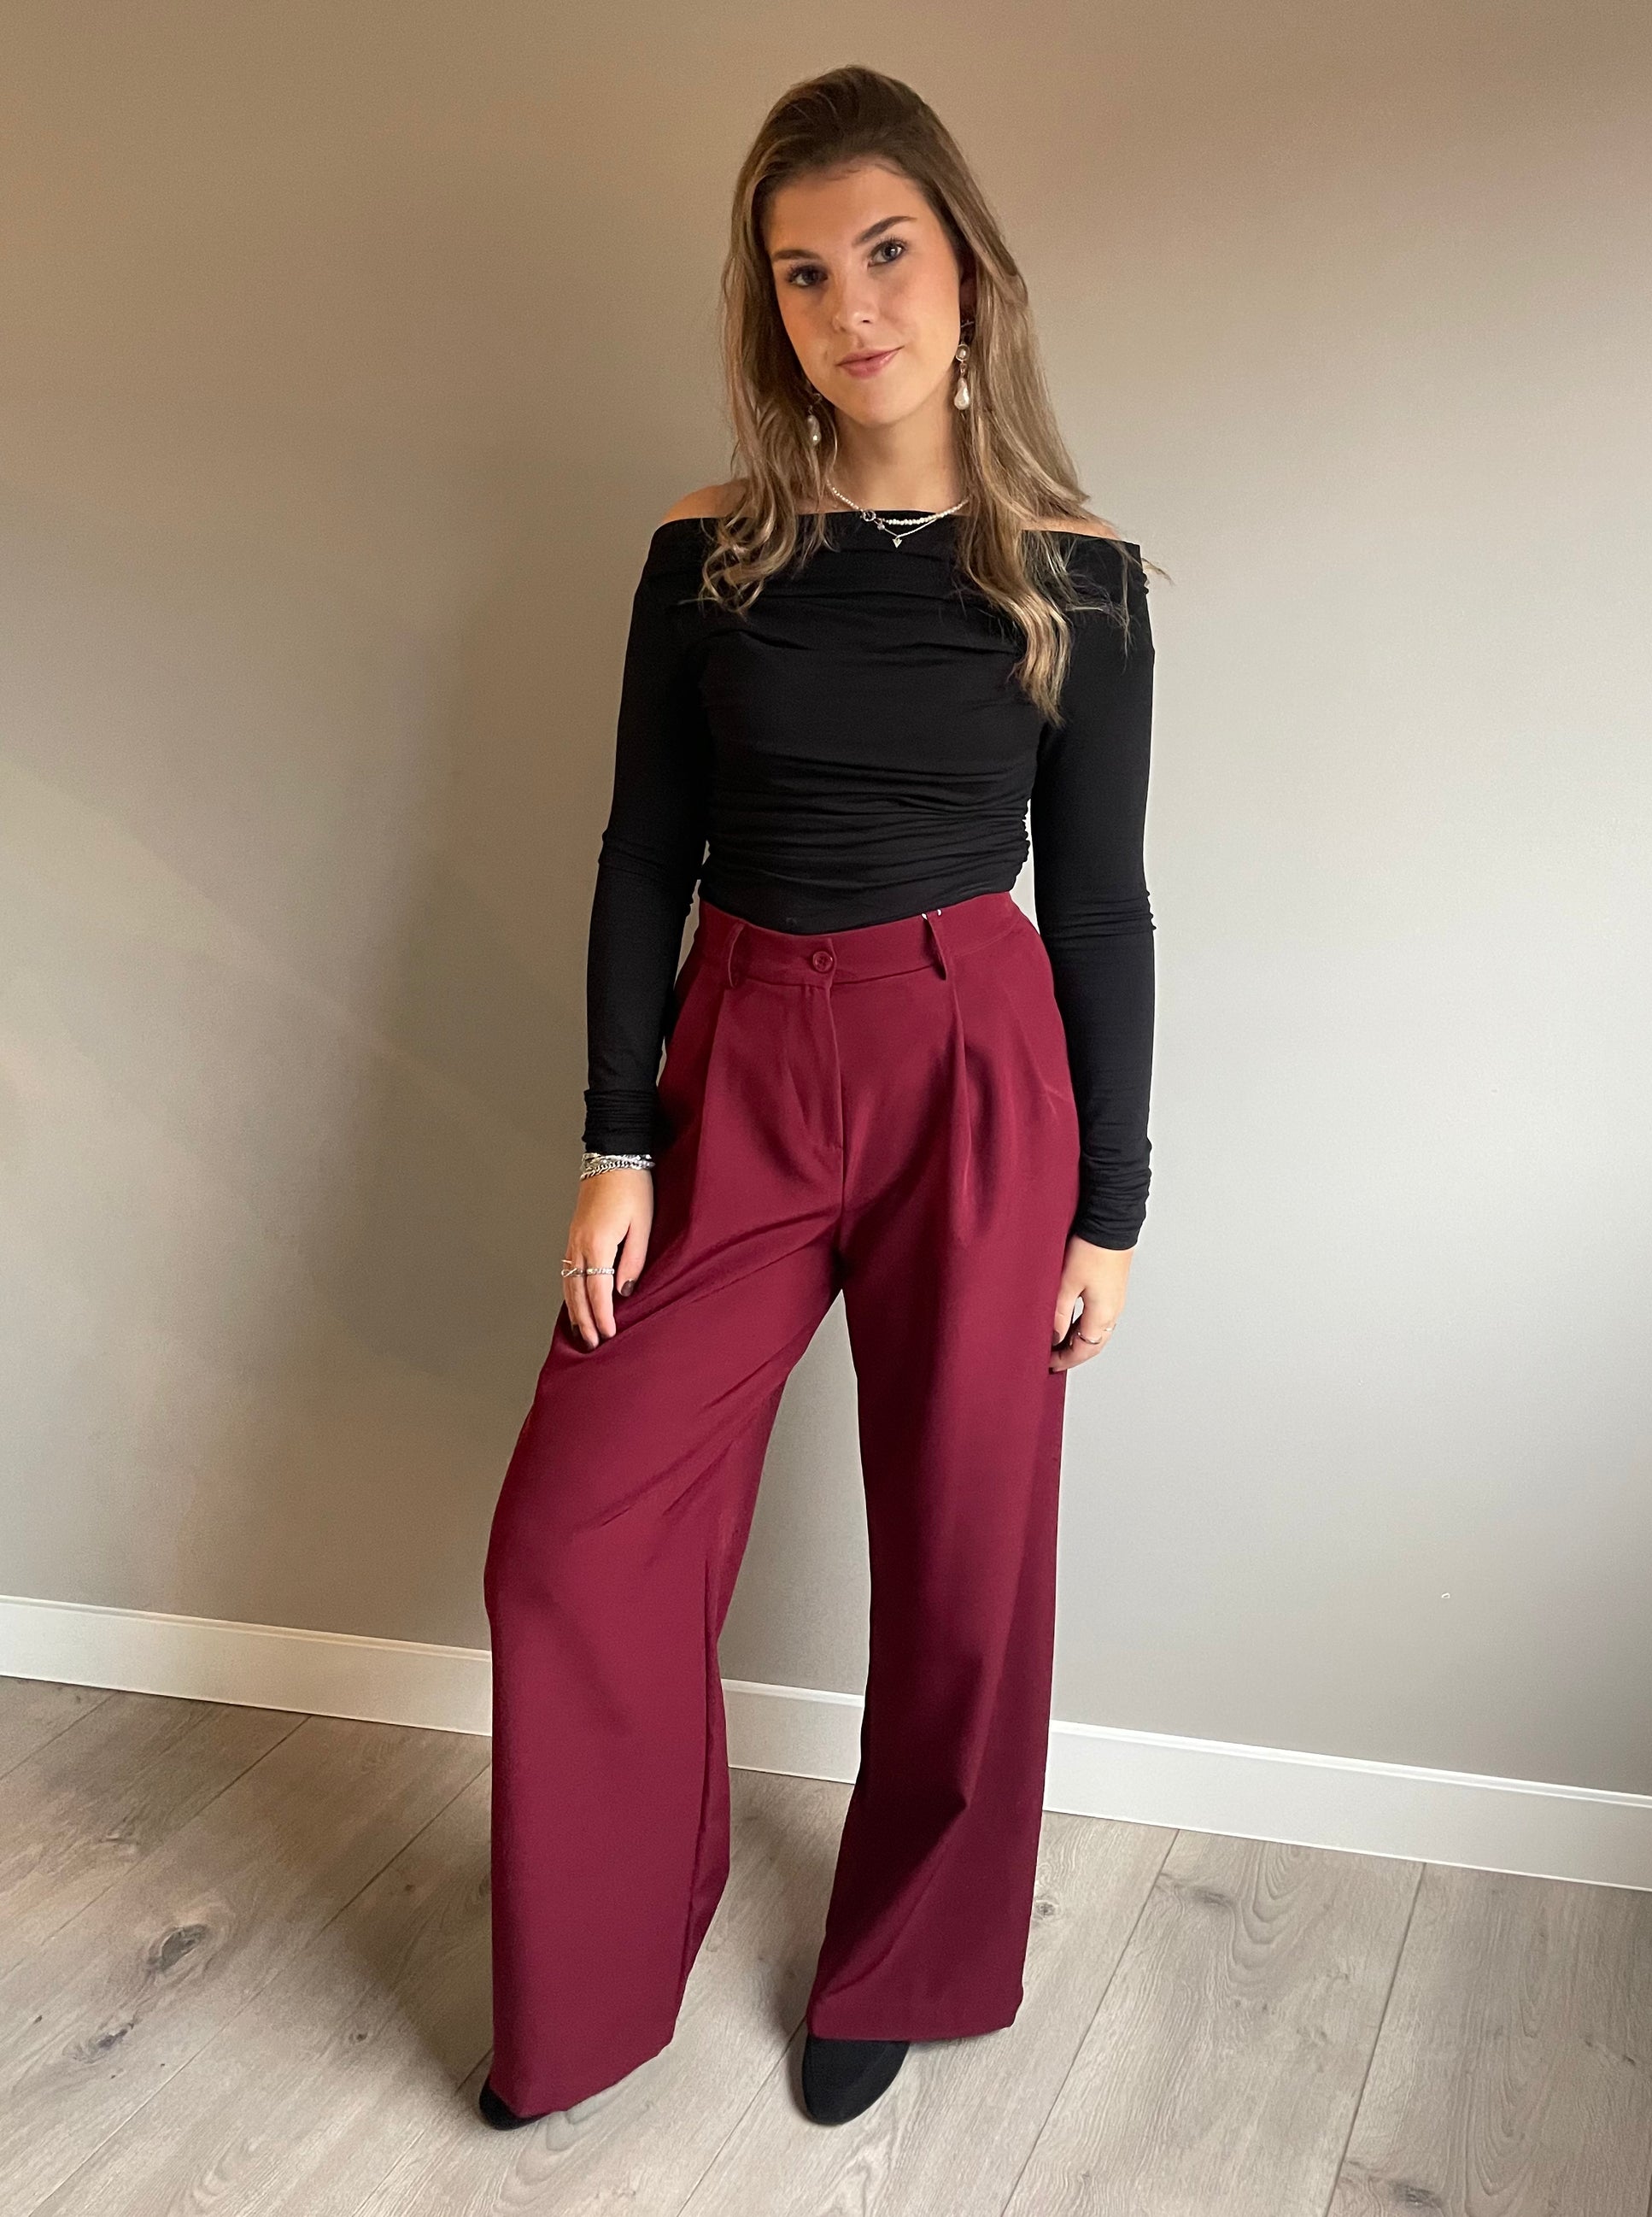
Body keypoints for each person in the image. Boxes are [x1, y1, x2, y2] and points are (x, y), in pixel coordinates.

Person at [480, 62, 1158, 2132]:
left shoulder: (1079, 570)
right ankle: (596, 1969)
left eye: (884, 251)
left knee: (966, 1551)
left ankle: (906, 1957)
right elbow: (640, 852)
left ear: (967, 273)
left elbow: (1100, 904)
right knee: (572, 1533)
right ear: (764, 306)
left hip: (978, 1060)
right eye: (800, 272)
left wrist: (1111, 1204)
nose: (849, 305)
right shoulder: (706, 552)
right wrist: (615, 1137)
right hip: (743, 1050)